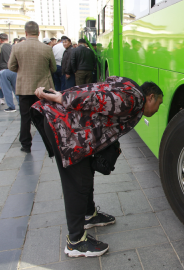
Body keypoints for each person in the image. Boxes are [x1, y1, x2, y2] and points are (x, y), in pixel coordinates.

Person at [30, 77, 163, 257]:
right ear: (151, 97)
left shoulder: (129, 87)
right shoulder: (133, 99)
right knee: (77, 183)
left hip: (75, 131)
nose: (158, 109)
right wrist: (59, 97)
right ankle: (75, 242)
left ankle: (89, 214)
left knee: (85, 175)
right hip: (66, 129)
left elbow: (96, 87)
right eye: (159, 104)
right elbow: (93, 97)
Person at [8, 21, 56, 153]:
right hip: (42, 90)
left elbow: (11, 67)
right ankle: (50, 146)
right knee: (44, 117)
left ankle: (26, 145)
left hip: (24, 88)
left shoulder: (17, 48)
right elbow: (53, 68)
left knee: (25, 117)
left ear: (25, 33)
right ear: (38, 33)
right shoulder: (46, 48)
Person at [0, 33, 18, 112]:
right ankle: (21, 105)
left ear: (0, 39)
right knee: (16, 89)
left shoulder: (0, 46)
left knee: (7, 90)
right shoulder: (12, 46)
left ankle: (11, 107)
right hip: (14, 70)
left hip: (4, 69)